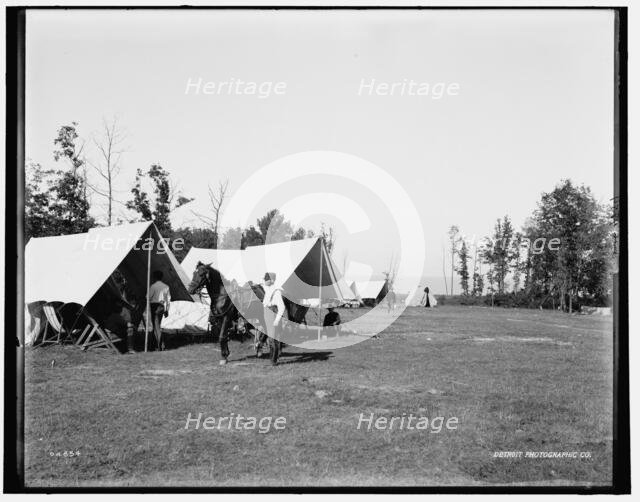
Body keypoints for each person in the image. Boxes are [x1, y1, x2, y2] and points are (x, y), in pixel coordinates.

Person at [261, 272, 287, 366]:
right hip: (268, 314)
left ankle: (274, 360)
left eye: (267, 279)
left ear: (272, 280)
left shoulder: (276, 292)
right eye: (265, 279)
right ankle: (273, 359)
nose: (265, 280)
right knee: (270, 338)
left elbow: (282, 307)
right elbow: (263, 283)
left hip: (273, 315)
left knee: (273, 339)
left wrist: (276, 320)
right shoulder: (268, 289)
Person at [148, 270, 171, 351]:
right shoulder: (166, 286)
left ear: (154, 277)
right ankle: (160, 345)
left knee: (156, 327)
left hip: (155, 306)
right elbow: (168, 299)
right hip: (162, 306)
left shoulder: (153, 286)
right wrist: (167, 310)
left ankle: (159, 346)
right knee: (158, 326)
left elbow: (148, 297)